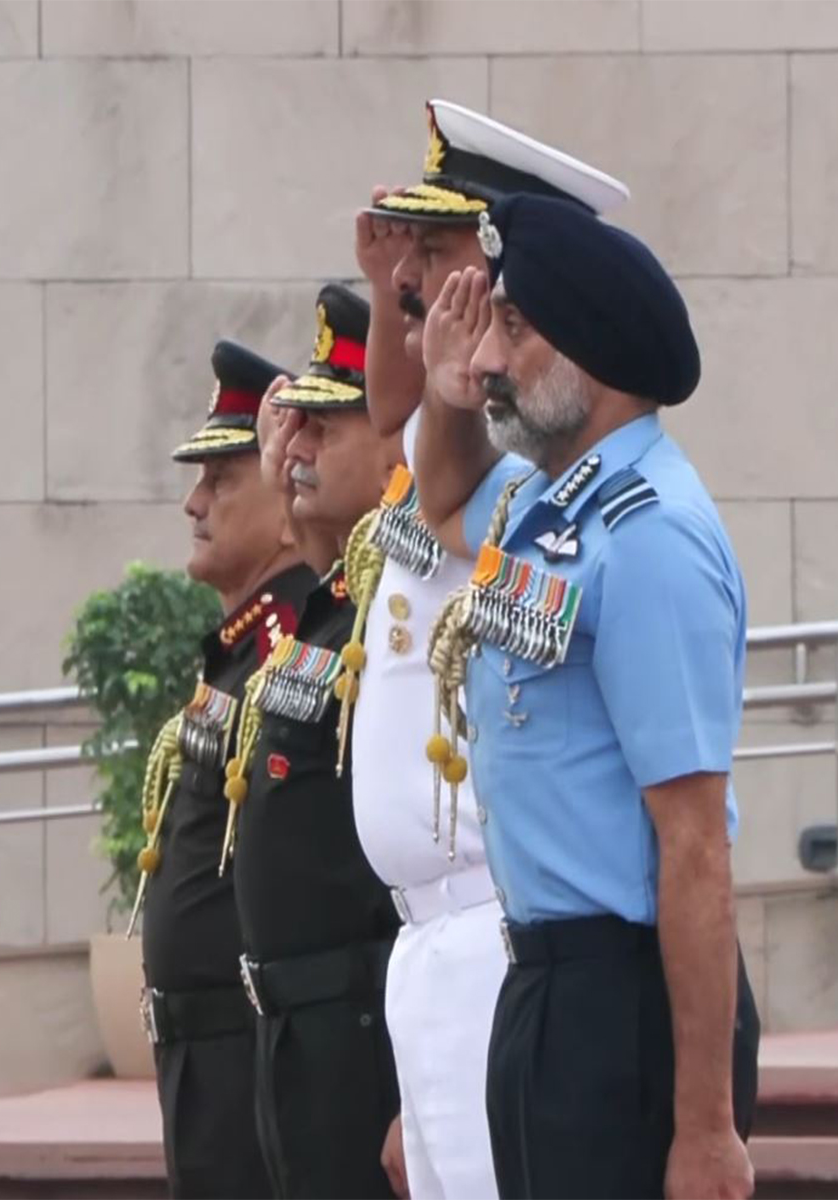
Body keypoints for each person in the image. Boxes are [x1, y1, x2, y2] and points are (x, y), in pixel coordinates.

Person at [414, 194, 761, 1200]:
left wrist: (704, 1130)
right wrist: (440, 395)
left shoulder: (649, 537)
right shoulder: (541, 501)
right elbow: (437, 501)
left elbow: (694, 844)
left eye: (512, 329)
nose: (486, 359)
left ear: (591, 354)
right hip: (546, 990)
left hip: (628, 1005)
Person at [345, 99, 631, 1199]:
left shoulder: (533, 472)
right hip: (432, 943)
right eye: (414, 257)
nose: (420, 279)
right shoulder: (451, 446)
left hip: (497, 919)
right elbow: (396, 420)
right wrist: (388, 296)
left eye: (443, 253)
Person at [223, 283, 405, 1199]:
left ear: (394, 446)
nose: (299, 452)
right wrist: (282, 479)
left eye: (326, 430)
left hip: (359, 1020)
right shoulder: (334, 606)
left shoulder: (395, 604)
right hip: (296, 1022)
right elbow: (314, 562)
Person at [132, 339, 317, 1198]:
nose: (192, 503)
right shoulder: (243, 655)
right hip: (204, 1059)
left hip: (250, 1054)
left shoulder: (290, 655)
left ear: (286, 506)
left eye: (221, 480)